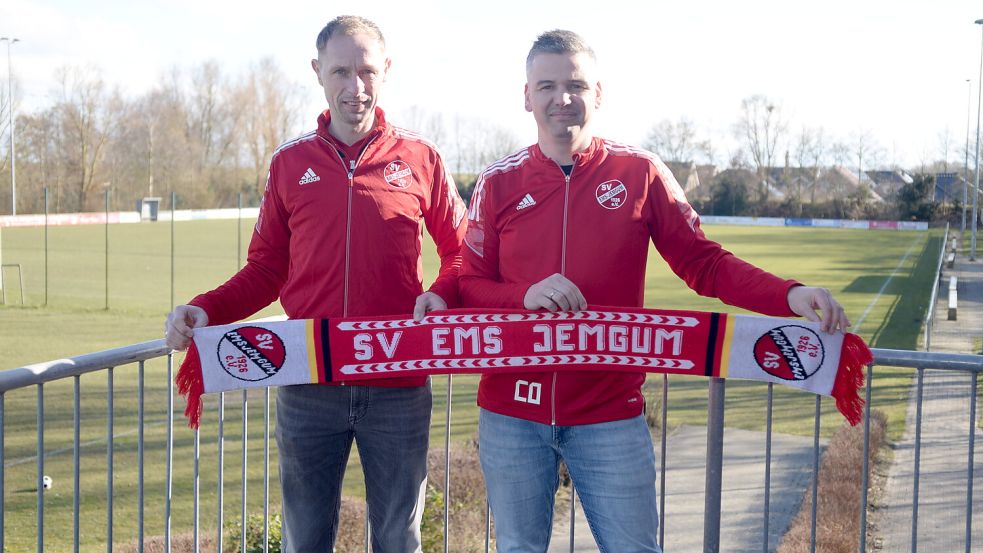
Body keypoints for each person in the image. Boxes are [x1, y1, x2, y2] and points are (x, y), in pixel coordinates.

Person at [459, 29, 850, 553]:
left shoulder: (639, 172)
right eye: (546, 85)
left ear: (599, 93)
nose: (562, 98)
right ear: (526, 96)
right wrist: (525, 295)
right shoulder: (498, 181)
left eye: (575, 84)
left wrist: (788, 295)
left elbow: (703, 263)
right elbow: (469, 284)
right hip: (511, 413)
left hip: (609, 413)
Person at [164, 15, 467, 553]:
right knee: (304, 539)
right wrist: (204, 310)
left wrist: (441, 291)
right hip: (307, 385)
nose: (357, 87)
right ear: (318, 73)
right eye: (341, 72)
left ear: (387, 70)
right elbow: (265, 270)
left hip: (396, 381)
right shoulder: (289, 163)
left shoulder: (422, 159)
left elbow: (462, 251)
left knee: (398, 537)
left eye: (368, 71)